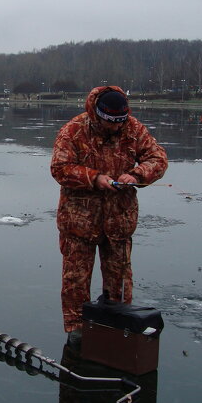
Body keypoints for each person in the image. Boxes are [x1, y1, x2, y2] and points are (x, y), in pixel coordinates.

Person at [50, 85, 168, 343]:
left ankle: (117, 330)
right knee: (75, 281)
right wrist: (95, 178)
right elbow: (60, 168)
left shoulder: (133, 128)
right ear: (98, 114)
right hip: (79, 221)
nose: (116, 128)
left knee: (120, 281)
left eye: (120, 122)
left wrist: (136, 175)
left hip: (119, 219)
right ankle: (77, 333)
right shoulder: (74, 130)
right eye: (110, 122)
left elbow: (157, 159)